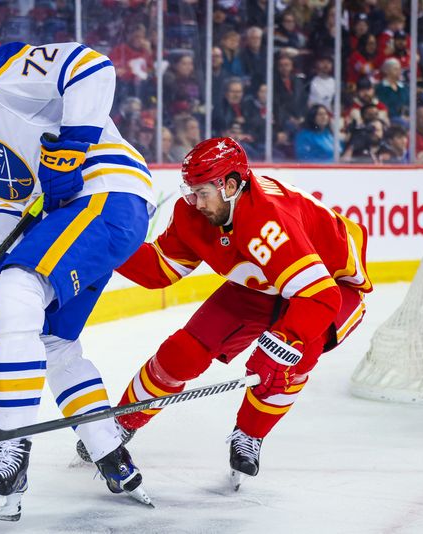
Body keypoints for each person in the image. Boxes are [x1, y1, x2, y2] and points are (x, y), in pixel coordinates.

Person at [0, 10, 156, 521]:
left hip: (105, 195)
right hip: (82, 214)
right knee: (52, 341)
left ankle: (11, 448)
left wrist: (71, 149)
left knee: (15, 291)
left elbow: (92, 67)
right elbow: (8, 203)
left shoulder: (5, 68)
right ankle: (110, 452)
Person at [75, 137, 372, 490]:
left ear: (230, 185)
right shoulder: (194, 211)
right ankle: (124, 421)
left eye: (203, 193)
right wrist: (105, 246)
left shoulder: (268, 220)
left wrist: (283, 342)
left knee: (282, 366)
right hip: (260, 285)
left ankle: (250, 434)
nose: (195, 202)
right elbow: (159, 270)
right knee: (181, 354)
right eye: (191, 191)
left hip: (331, 288)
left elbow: (319, 297)